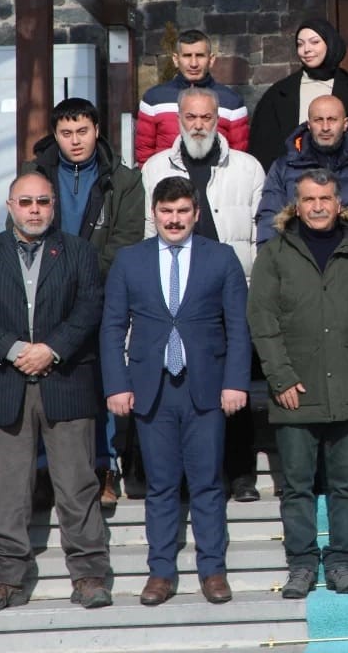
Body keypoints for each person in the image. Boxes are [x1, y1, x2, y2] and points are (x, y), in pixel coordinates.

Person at [0, 173, 111, 614]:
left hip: (66, 379)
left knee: (77, 483)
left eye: (43, 201)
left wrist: (52, 349)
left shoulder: (79, 252)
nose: (34, 209)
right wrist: (13, 350)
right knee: (6, 487)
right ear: (10, 206)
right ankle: (5, 580)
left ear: (53, 205)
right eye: (25, 202)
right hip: (8, 382)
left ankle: (88, 575)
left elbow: (90, 307)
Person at [101, 176, 251, 607]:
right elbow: (112, 327)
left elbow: (238, 327)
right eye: (166, 211)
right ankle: (161, 572)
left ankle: (213, 570)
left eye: (183, 211)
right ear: (154, 214)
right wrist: (117, 384)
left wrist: (235, 382)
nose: (174, 219)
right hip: (152, 389)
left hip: (205, 388)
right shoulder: (130, 261)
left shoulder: (221, 258)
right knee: (161, 485)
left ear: (196, 214)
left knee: (207, 483)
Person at [248, 169, 348, 599]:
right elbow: (261, 319)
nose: (318, 206)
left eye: (325, 198)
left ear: (338, 203)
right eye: (309, 199)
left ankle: (341, 562)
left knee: (346, 486)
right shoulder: (275, 253)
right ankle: (302, 565)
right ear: (296, 205)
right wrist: (280, 377)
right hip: (294, 391)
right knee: (297, 487)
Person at [142, 85, 264, 502]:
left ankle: (241, 473)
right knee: (179, 388)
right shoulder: (155, 168)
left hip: (230, 289)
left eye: (206, 117)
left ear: (219, 120)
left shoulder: (247, 168)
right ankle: (180, 477)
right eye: (190, 117)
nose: (198, 125)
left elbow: (258, 236)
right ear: (178, 119)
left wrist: (254, 291)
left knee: (234, 381)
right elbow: (147, 232)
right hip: (175, 293)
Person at [23, 96, 145, 508]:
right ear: (55, 136)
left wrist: (84, 282)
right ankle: (44, 469)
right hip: (44, 293)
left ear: (97, 131)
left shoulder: (123, 180)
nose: (75, 141)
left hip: (102, 293)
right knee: (45, 379)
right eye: (66, 133)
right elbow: (22, 228)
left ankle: (103, 467)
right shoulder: (36, 175)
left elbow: (125, 241)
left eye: (82, 131)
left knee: (101, 378)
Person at [248, 19, 348, 171]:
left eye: (314, 42)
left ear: (330, 44)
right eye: (300, 44)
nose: (306, 49)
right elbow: (262, 149)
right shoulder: (278, 94)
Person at [255, 95, 348, 249]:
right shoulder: (284, 166)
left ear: (345, 124)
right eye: (318, 120)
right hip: (298, 256)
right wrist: (268, 259)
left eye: (332, 119)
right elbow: (269, 219)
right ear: (309, 125)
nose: (325, 127)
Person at [136, 29, 249, 166]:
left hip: (216, 177)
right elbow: (144, 153)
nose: (194, 63)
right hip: (167, 177)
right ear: (176, 59)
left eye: (200, 56)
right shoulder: (154, 99)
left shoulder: (231, 102)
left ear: (211, 59)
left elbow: (239, 157)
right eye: (187, 56)